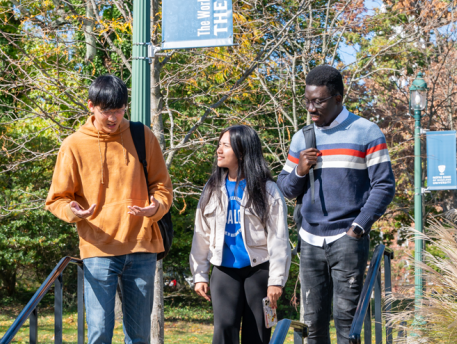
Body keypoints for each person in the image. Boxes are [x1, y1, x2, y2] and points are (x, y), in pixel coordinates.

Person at [45, 74, 173, 344]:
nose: (113, 118)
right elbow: (56, 199)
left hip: (141, 246)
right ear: (91, 106)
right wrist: (73, 212)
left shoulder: (142, 135)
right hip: (98, 249)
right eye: (106, 111)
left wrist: (156, 207)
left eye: (119, 110)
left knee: (139, 336)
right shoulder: (73, 145)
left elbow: (162, 186)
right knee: (100, 333)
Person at [277, 65, 395, 343]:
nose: (311, 108)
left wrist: (358, 227)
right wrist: (300, 170)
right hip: (309, 240)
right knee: (312, 322)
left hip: (347, 237)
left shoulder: (366, 131)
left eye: (318, 101)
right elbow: (285, 187)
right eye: (307, 101)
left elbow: (384, 185)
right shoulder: (302, 138)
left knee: (346, 319)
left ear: (338, 98)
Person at [190, 125, 292, 344]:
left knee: (259, 332)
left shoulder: (268, 190)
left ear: (243, 151)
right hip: (224, 270)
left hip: (260, 271)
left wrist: (276, 281)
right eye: (219, 145)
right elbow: (201, 234)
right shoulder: (212, 188)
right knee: (224, 329)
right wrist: (199, 274)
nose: (218, 150)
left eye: (225, 146)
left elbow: (279, 240)